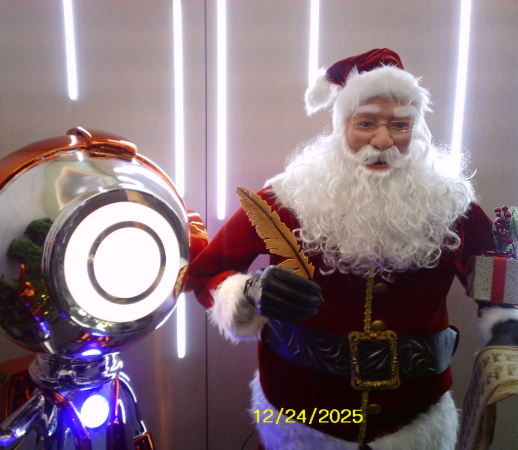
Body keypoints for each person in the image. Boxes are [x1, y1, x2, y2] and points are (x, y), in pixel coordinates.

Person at [188, 49, 518, 450]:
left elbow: (496, 279)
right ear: (341, 125)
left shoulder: (450, 204)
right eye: (366, 123)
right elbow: (205, 274)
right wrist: (248, 291)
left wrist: (505, 323)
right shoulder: (285, 199)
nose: (383, 141)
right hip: (304, 417)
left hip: (414, 419)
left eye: (399, 125)